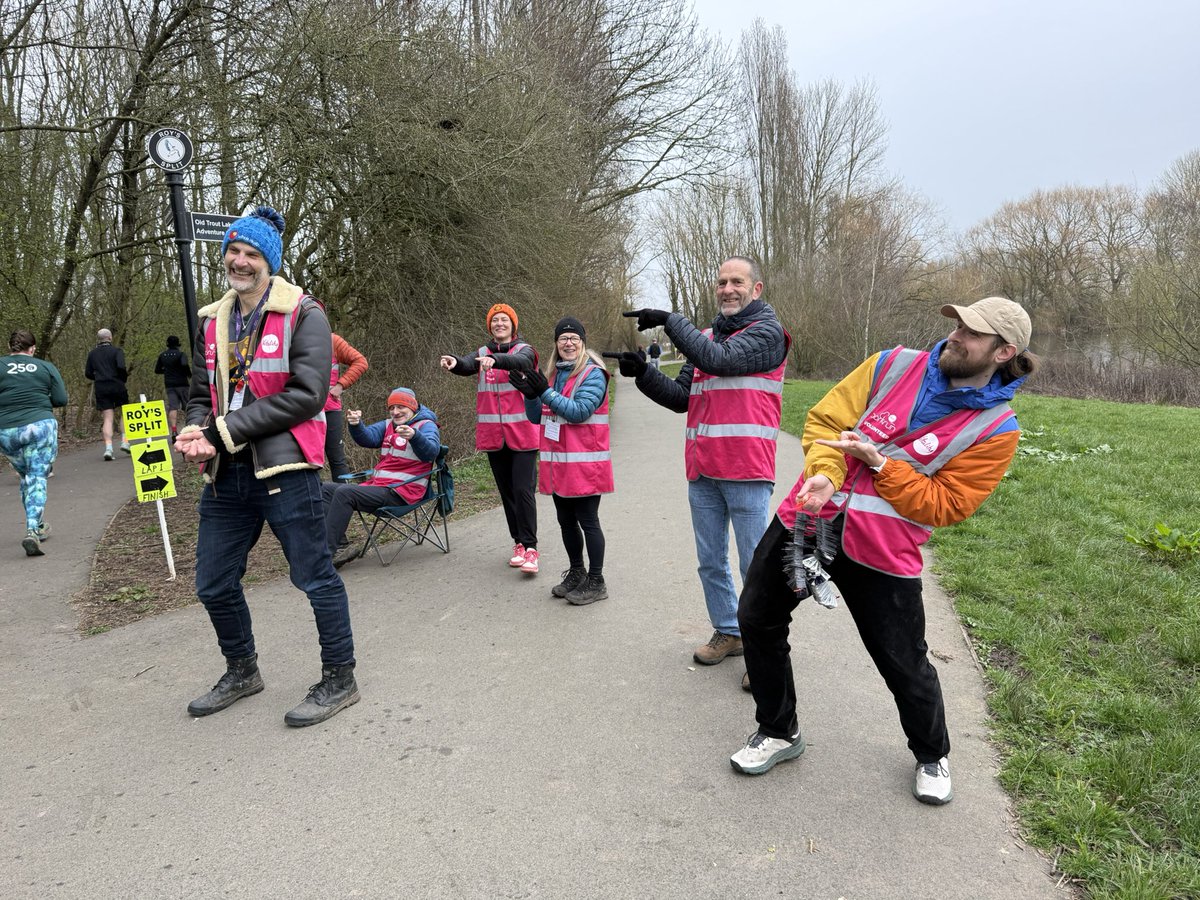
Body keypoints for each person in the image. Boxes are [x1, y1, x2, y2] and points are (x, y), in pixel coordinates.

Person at [729, 297, 1038, 807]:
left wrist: (880, 465)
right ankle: (778, 730)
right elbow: (826, 422)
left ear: (1003, 352)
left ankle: (932, 753)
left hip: (883, 552)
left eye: (973, 334)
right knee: (757, 617)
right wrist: (827, 476)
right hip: (808, 520)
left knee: (903, 662)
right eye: (958, 324)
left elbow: (946, 505)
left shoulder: (995, 431)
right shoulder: (890, 364)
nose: (956, 335)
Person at [175, 205, 359, 728]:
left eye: (251, 253)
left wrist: (222, 431)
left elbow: (307, 395)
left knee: (314, 577)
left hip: (287, 470)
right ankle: (242, 670)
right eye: (233, 251)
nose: (240, 260)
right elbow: (199, 393)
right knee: (213, 582)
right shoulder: (212, 321)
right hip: (225, 475)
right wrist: (195, 428)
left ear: (268, 261)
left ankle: (340, 678)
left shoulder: (304, 312)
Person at [616, 256, 789, 664]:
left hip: (747, 469)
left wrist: (672, 320)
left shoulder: (768, 333)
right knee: (711, 562)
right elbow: (681, 398)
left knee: (754, 568)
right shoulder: (707, 337)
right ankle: (729, 631)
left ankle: (764, 652)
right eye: (721, 282)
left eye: (737, 282)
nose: (727, 289)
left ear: (756, 289)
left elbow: (722, 360)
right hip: (703, 469)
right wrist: (643, 373)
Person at [510, 316, 612, 605]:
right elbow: (535, 417)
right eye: (563, 339)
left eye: (574, 339)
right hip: (559, 463)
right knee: (566, 521)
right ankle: (577, 572)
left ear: (582, 343)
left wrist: (543, 391)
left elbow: (579, 411)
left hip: (585, 463)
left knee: (588, 521)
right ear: (556, 344)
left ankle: (596, 580)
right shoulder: (554, 374)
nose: (568, 343)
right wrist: (530, 394)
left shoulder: (593, 373)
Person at [440, 303, 541, 574]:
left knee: (523, 490)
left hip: (522, 434)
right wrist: (454, 362)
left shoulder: (525, 350)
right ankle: (518, 543)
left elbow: (522, 364)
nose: (499, 324)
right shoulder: (483, 352)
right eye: (495, 320)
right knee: (507, 493)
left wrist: (497, 360)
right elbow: (466, 363)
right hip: (494, 437)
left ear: (513, 325)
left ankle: (531, 548)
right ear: (490, 326)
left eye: (504, 320)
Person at [321, 386, 441, 568]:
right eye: (392, 407)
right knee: (325, 488)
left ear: (413, 407)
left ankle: (324, 558)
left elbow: (431, 453)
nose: (395, 412)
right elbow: (367, 439)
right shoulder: (387, 425)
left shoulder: (426, 425)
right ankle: (338, 547)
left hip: (403, 492)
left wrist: (415, 437)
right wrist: (355, 424)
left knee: (345, 492)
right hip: (380, 487)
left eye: (401, 407)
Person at [0, 330, 67, 556]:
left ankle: (37, 525)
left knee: (26, 477)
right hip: (40, 425)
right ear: (33, 348)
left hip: (6, 430)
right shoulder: (45, 367)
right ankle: (32, 530)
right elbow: (60, 399)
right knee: (37, 475)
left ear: (10, 347)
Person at [324, 333, 369, 482]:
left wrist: (340, 385)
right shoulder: (291, 336)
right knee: (306, 461)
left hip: (329, 409)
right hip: (303, 410)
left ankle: (343, 501)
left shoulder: (331, 340)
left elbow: (360, 362)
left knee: (336, 459)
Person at [85, 327, 129, 460]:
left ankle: (108, 449)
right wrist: (122, 378)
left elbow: (88, 373)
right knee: (124, 413)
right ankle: (125, 442)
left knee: (108, 418)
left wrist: (98, 378)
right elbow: (121, 367)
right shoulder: (117, 351)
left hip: (101, 387)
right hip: (117, 385)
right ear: (110, 338)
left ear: (99, 339)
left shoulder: (92, 354)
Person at [155, 335, 191, 438]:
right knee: (187, 406)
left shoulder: (163, 355)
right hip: (182, 383)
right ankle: (189, 428)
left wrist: (166, 371)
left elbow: (157, 370)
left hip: (170, 384)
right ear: (178, 343)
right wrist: (188, 374)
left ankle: (174, 431)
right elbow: (184, 364)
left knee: (173, 407)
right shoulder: (181, 354)